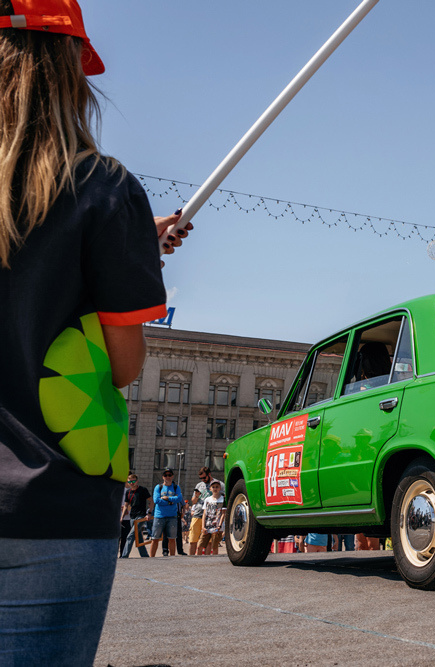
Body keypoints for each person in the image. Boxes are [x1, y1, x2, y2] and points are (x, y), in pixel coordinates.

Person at [0, 3, 190, 663]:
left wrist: (136, 242)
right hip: (56, 500)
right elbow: (122, 365)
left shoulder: (109, 202)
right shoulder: (106, 191)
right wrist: (129, 242)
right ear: (70, 71)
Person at [189, 466, 224, 555]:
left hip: (211, 517)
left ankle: (207, 560)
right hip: (198, 514)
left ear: (209, 474)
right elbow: (193, 501)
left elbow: (224, 499)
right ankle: (190, 559)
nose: (203, 480)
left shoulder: (219, 484)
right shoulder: (199, 485)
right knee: (193, 539)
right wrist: (196, 496)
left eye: (204, 477)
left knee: (209, 542)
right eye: (201, 478)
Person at [150, 469, 183, 557]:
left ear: (172, 476)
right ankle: (151, 558)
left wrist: (167, 499)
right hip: (159, 516)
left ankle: (172, 557)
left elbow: (179, 499)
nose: (167, 477)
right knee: (155, 538)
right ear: (163, 477)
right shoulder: (158, 487)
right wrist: (172, 501)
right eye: (165, 475)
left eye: (169, 475)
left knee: (172, 539)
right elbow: (156, 500)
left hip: (172, 516)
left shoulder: (176, 487)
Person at [120, 474, 153, 558]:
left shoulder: (142, 490)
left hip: (141, 516)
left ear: (137, 481)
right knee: (138, 537)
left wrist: (149, 513)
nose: (132, 483)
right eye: (130, 481)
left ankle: (124, 556)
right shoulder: (128, 492)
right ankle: (144, 555)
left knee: (130, 536)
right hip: (132, 517)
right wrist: (121, 517)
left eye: (133, 481)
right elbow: (126, 506)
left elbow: (151, 501)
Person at [195, 480, 225, 556]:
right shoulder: (207, 499)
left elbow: (223, 514)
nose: (215, 488)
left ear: (220, 488)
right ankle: (198, 561)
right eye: (213, 487)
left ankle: (214, 563)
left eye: (217, 487)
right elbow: (204, 514)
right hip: (207, 525)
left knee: (214, 547)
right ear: (210, 488)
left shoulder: (223, 499)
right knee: (200, 546)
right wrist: (203, 526)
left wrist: (220, 526)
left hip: (216, 526)